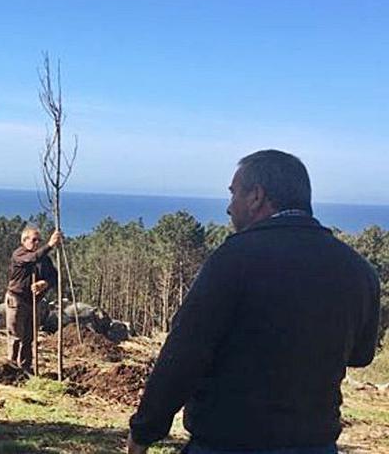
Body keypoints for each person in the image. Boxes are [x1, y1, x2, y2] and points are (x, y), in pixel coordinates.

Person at [127, 150, 381, 454]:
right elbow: (361, 355)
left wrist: (144, 431)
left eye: (234, 194)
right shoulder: (357, 269)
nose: (229, 207)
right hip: (315, 444)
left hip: (229, 442)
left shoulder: (234, 259)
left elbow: (184, 353)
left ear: (256, 196)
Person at [5, 225, 61, 373]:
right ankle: (12, 368)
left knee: (28, 338)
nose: (37, 243)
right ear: (24, 240)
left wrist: (45, 283)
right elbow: (31, 259)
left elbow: (54, 277)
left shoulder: (44, 260)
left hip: (33, 302)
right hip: (17, 300)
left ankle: (25, 368)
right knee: (16, 336)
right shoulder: (19, 254)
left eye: (39, 240)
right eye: (34, 240)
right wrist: (49, 245)